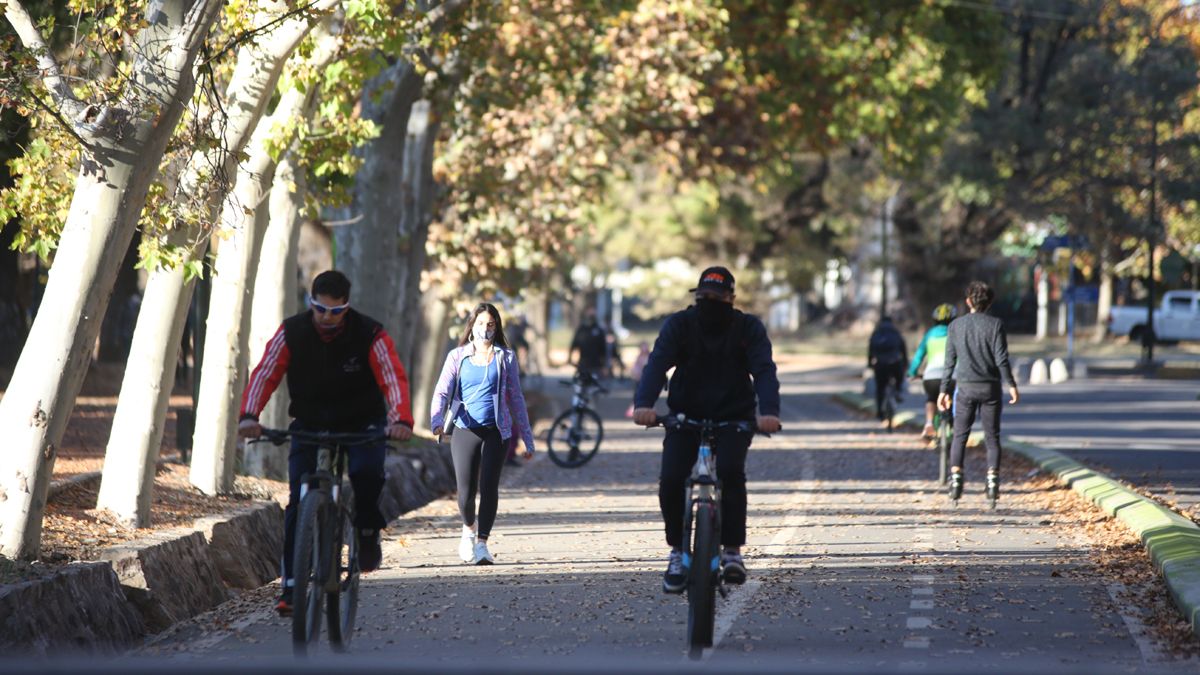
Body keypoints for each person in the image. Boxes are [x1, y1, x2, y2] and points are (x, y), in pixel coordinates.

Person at [237, 270, 414, 616]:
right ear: (311, 303)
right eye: (320, 309)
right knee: (297, 499)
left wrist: (401, 420)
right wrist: (249, 415)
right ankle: (291, 585)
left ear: (346, 308)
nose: (327, 319)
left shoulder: (371, 334)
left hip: (363, 423)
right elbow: (265, 372)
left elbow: (393, 379)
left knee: (365, 473)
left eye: (336, 312)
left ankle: (365, 530)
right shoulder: (292, 332)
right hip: (310, 423)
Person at [631, 266, 781, 593]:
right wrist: (644, 404)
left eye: (717, 297)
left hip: (734, 416)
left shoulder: (748, 328)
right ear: (696, 297)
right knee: (671, 479)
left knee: (729, 471)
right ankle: (676, 551)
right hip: (685, 415)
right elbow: (657, 364)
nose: (710, 302)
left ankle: (732, 551)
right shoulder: (680, 325)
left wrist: (768, 412)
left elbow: (764, 370)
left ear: (731, 298)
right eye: (704, 297)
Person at [430, 303, 536, 565]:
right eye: (480, 324)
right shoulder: (457, 356)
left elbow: (516, 398)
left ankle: (482, 544)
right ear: (472, 325)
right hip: (465, 429)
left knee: (489, 487)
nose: (485, 329)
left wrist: (527, 437)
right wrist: (436, 421)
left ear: (496, 327)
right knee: (465, 493)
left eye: (490, 325)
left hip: (496, 431)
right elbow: (442, 391)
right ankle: (468, 530)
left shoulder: (506, 357)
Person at [938, 281, 1019, 503]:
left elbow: (949, 362)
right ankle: (992, 482)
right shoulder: (995, 325)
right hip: (990, 387)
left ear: (968, 302)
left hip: (965, 388)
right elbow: (1002, 358)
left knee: (960, 435)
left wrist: (944, 390)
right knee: (992, 437)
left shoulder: (955, 326)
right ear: (989, 302)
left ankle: (956, 480)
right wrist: (1011, 384)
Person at [908, 303, 956, 438]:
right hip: (953, 376)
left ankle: (929, 423)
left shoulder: (929, 334)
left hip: (931, 376)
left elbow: (918, 356)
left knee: (932, 397)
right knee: (953, 397)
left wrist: (912, 373)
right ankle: (952, 427)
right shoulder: (956, 333)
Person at [867, 315, 908, 420]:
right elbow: (903, 349)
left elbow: (870, 350)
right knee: (899, 377)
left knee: (880, 388)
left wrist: (870, 363)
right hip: (895, 362)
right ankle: (898, 391)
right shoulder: (896, 332)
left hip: (880, 363)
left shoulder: (876, 333)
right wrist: (905, 363)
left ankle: (880, 411)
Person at [569, 307, 609, 378]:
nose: (591, 314)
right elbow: (574, 344)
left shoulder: (599, 330)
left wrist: (604, 365)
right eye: (589, 312)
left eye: (593, 312)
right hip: (583, 363)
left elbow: (604, 349)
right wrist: (570, 358)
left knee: (594, 385)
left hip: (596, 365)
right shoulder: (582, 329)